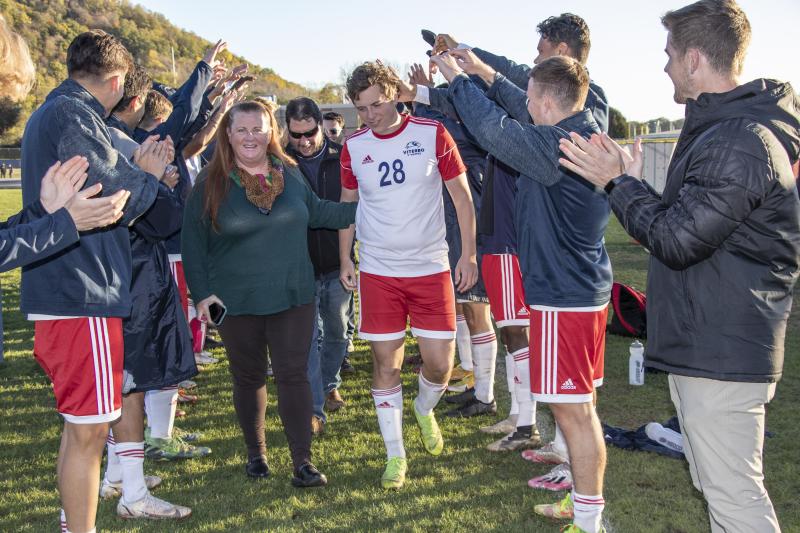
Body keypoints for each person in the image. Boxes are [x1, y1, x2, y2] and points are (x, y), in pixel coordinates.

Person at [558, 1, 800, 531]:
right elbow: (685, 226)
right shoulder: (723, 133)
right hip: (711, 345)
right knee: (722, 489)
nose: (664, 66)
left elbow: (676, 239)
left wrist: (616, 183)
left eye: (669, 54)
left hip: (724, 351)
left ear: (694, 59)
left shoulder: (738, 140)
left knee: (734, 496)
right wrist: (632, 182)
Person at [429, 50, 610, 533]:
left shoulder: (555, 146)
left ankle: (590, 520)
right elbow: (512, 105)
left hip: (563, 298)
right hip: (580, 291)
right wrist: (484, 75)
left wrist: (457, 79)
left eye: (530, 98)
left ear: (547, 102)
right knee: (579, 411)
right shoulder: (579, 124)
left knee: (572, 414)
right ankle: (584, 504)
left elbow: (494, 130)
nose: (524, 105)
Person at [20, 29, 163, 533]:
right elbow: (117, 189)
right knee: (89, 432)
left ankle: (71, 523)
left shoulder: (53, 110)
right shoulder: (73, 114)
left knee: (77, 428)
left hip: (66, 290)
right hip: (82, 290)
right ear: (118, 80)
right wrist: (149, 178)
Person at [181, 100, 357, 487]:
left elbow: (322, 213)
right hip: (235, 301)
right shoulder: (211, 182)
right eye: (241, 129)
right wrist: (202, 294)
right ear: (228, 135)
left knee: (294, 376)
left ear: (270, 133)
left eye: (258, 129)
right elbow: (192, 244)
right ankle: (256, 454)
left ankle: (302, 462)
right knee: (249, 377)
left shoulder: (290, 174)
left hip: (293, 294)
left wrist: (369, 207)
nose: (250, 137)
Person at [338, 61, 478, 489]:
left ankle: (423, 408)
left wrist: (467, 254)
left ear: (395, 93)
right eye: (360, 108)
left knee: (440, 364)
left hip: (430, 266)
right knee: (387, 363)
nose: (369, 114)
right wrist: (346, 258)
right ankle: (395, 455)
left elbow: (462, 198)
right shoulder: (353, 146)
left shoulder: (431, 134)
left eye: (376, 104)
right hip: (379, 270)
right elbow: (348, 207)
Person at [284, 97, 351, 434]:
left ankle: (328, 384)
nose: (304, 142)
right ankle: (315, 410)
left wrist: (349, 259)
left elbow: (354, 207)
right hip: (299, 267)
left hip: (338, 263)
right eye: (296, 135)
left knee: (338, 333)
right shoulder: (280, 162)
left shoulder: (343, 157)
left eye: (309, 133)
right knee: (309, 339)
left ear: (320, 125)